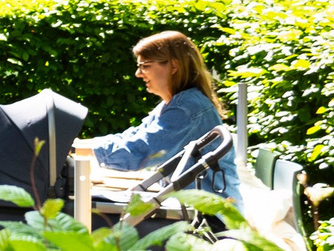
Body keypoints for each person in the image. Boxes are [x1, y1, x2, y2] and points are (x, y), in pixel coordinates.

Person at [84, 31, 238, 200]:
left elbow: (138, 151)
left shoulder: (185, 109)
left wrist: (74, 148)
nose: (138, 73)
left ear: (173, 66)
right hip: (197, 208)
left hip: (208, 218)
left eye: (145, 66)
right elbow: (133, 136)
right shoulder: (175, 103)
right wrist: (77, 145)